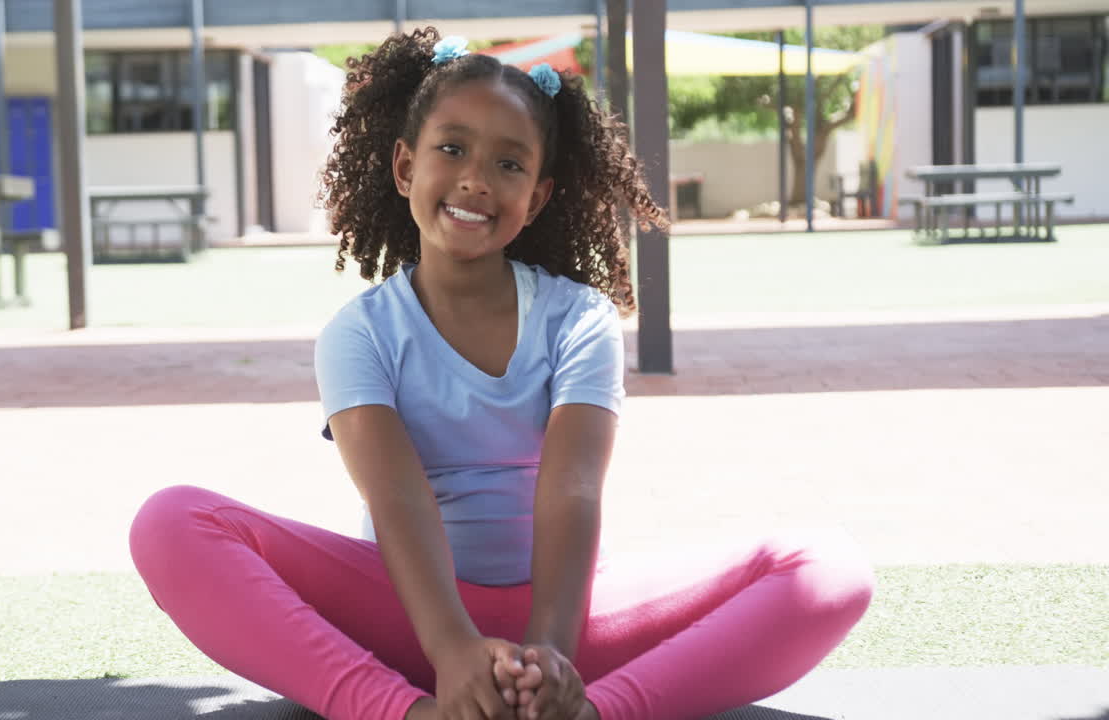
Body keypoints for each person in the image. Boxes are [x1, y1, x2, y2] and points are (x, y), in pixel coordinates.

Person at [129, 27, 874, 720]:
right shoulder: (359, 334)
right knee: (171, 522)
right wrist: (452, 653)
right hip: (410, 620)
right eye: (451, 149)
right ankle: (407, 710)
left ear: (538, 196)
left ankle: (590, 711)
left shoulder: (577, 317)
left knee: (828, 568)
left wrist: (552, 652)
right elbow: (398, 503)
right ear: (403, 165)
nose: (476, 180)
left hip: (573, 619)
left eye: (509, 163)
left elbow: (573, 488)